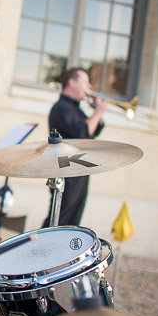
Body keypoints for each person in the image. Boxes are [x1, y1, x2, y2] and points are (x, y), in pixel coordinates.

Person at [45, 67, 107, 228]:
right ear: (72, 83)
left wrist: (96, 113)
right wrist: (99, 112)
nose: (89, 87)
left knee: (72, 223)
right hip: (67, 172)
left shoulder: (75, 108)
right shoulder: (62, 108)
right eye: (85, 82)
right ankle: (39, 251)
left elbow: (94, 130)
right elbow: (84, 131)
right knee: (60, 221)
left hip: (78, 171)